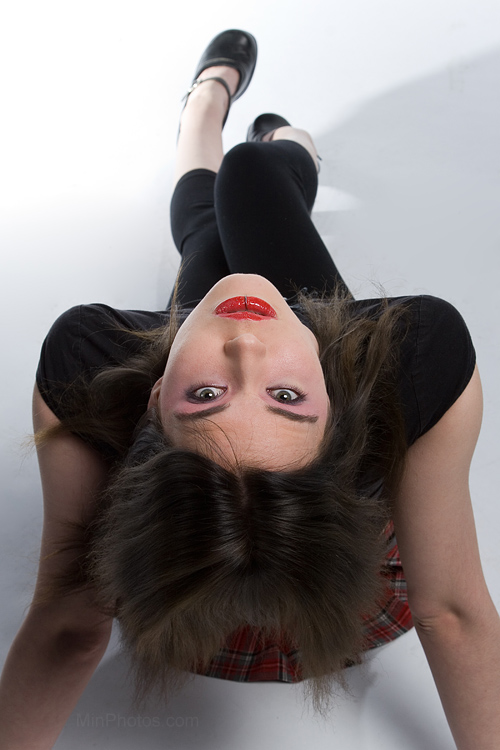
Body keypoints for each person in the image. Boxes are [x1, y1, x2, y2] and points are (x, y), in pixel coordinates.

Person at [0, 29, 499, 750]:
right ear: (339, 412)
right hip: (316, 592)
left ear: (152, 403)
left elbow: (69, 626)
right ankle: (278, 144)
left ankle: (206, 107)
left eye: (206, 396)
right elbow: (448, 612)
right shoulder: (415, 357)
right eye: (286, 399)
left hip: (183, 590)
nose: (246, 346)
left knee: (212, 230)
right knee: (249, 177)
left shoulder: (88, 358)